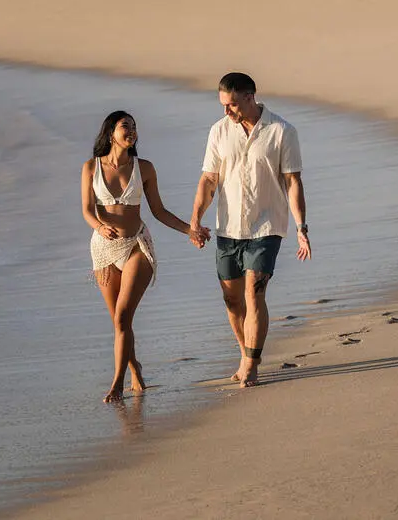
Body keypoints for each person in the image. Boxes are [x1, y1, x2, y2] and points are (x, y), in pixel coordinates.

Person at [188, 73, 310, 388]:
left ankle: (252, 364)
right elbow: (209, 180)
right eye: (223, 105)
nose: (226, 111)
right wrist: (195, 219)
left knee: (253, 291)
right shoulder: (219, 131)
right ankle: (245, 353)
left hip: (267, 224)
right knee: (232, 300)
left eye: (231, 105)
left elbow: (292, 182)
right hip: (228, 227)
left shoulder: (282, 131)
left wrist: (301, 227)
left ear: (249, 96)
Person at [83, 110, 207, 403]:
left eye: (135, 127)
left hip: (137, 245)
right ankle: (134, 366)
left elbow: (159, 211)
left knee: (124, 316)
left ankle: (116, 384)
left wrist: (190, 230)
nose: (132, 131)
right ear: (111, 132)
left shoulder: (145, 168)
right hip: (102, 249)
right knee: (119, 322)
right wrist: (100, 226)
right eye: (126, 126)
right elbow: (87, 210)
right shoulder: (91, 168)